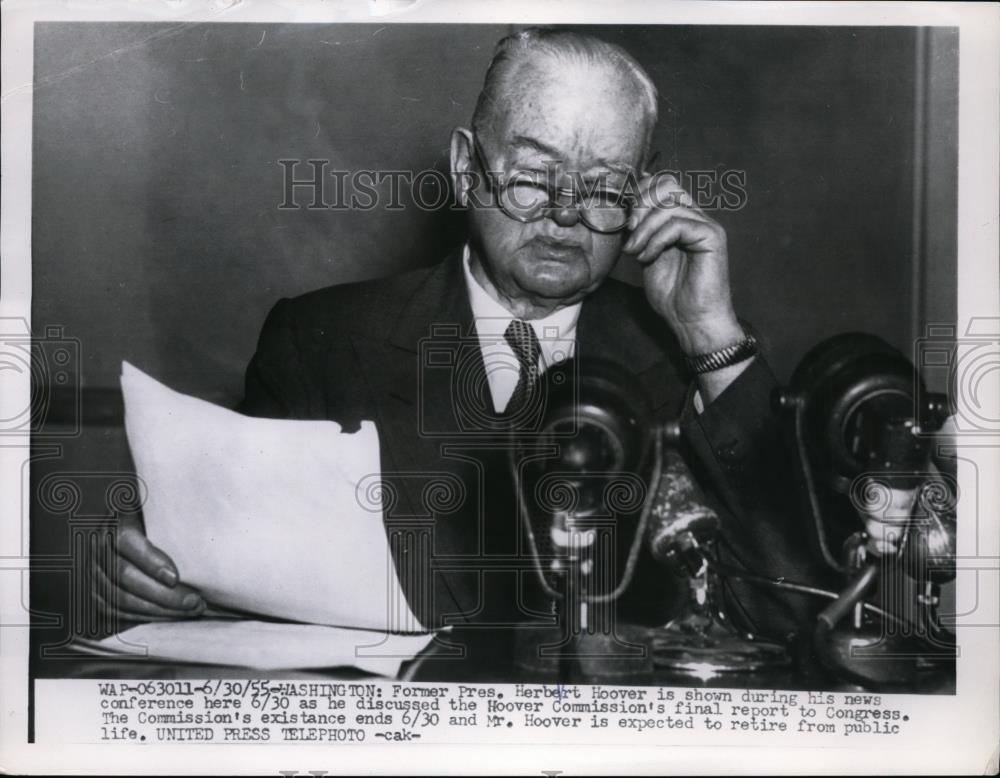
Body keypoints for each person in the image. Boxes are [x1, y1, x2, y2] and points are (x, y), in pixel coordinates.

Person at [96, 28, 827, 639]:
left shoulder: (693, 358)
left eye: (605, 184)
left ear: (643, 195)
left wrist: (707, 333)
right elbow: (241, 591)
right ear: (463, 168)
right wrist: (168, 579)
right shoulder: (319, 342)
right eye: (534, 174)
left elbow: (792, 605)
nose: (567, 212)